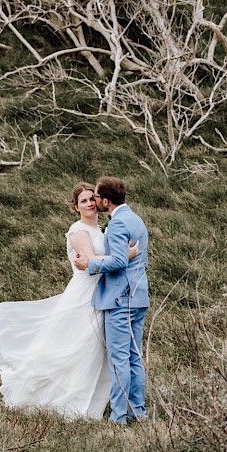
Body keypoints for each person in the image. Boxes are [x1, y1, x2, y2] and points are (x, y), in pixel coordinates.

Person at [0, 182, 138, 419]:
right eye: (83, 201)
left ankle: (92, 401)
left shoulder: (102, 230)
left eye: (91, 199)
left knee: (95, 350)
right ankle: (61, 400)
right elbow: (91, 262)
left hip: (103, 294)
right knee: (73, 346)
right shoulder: (78, 231)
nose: (89, 204)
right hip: (84, 295)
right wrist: (124, 256)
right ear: (75, 207)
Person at [74, 176, 149, 425]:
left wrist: (90, 263)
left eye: (96, 196)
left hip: (120, 300)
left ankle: (119, 416)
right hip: (138, 297)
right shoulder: (135, 219)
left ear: (106, 200)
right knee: (133, 356)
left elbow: (118, 261)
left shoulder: (117, 225)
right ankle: (138, 410)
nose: (94, 201)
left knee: (119, 360)